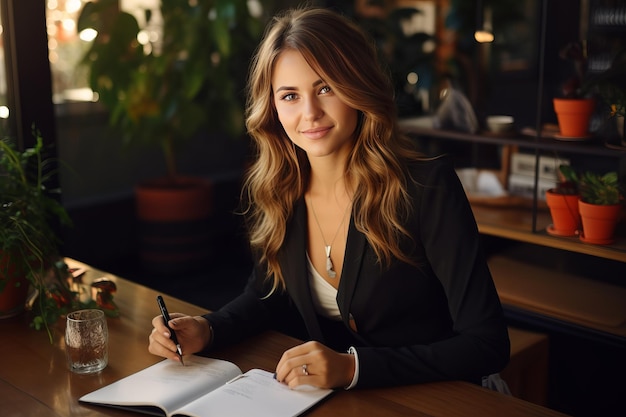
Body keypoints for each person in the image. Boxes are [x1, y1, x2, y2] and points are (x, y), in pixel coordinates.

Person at [149, 6, 510, 390]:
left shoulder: (426, 188)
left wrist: (354, 368)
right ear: (271, 106)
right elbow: (267, 294)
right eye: (289, 95)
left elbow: (487, 344)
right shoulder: (278, 188)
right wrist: (207, 328)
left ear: (358, 87)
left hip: (445, 397)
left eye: (326, 88)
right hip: (340, 400)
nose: (310, 113)